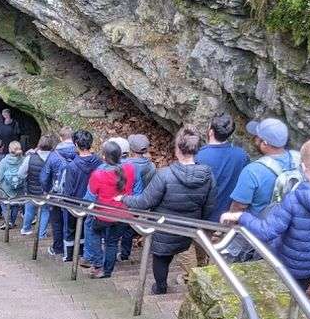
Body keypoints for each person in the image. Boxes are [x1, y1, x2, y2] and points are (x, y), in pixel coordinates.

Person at [121, 126, 217, 295]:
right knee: (189, 253)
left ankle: (160, 287)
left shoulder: (165, 175)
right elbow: (209, 204)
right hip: (190, 226)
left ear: (177, 149)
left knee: (161, 258)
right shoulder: (208, 175)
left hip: (165, 227)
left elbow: (144, 201)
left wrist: (124, 199)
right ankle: (198, 285)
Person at [220, 137, 310, 293]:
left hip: (288, 265)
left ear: (303, 168)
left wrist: (240, 217)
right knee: (298, 296)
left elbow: (267, 231)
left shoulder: (294, 200)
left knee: (283, 296)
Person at [224, 117, 301, 261]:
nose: (254, 139)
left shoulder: (253, 171)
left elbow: (239, 206)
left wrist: (227, 226)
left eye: (257, 138)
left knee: (226, 260)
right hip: (284, 231)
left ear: (265, 143)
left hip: (252, 229)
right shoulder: (298, 160)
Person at [85, 140, 136, 278]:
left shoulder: (98, 174)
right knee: (112, 242)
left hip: (103, 214)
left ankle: (97, 262)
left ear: (103, 157)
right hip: (123, 213)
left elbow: (90, 195)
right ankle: (106, 271)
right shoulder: (130, 169)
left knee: (91, 229)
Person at [195, 112, 250, 222]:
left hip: (202, 215)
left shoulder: (199, 157)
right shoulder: (242, 156)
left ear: (210, 132)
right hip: (225, 216)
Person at [61, 130, 102, 261]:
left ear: (76, 144)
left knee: (71, 229)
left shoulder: (72, 166)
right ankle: (87, 252)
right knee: (90, 228)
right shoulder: (99, 163)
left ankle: (70, 255)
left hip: (76, 203)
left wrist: (66, 204)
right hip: (95, 202)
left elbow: (68, 190)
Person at [38, 130, 77, 255]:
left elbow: (44, 177)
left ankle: (58, 248)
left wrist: (46, 190)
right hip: (74, 194)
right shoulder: (79, 153)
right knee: (73, 221)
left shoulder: (53, 155)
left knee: (57, 222)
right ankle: (73, 250)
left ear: (60, 138)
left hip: (56, 194)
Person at [119, 134, 156, 262]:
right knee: (131, 228)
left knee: (124, 227)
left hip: (128, 200)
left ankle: (122, 254)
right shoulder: (151, 166)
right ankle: (128, 253)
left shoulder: (127, 165)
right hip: (145, 200)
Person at [18, 134, 54, 238]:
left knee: (29, 209)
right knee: (45, 211)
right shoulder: (54, 158)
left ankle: (26, 228)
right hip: (46, 191)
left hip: (31, 189)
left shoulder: (30, 158)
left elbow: (20, 174)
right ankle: (41, 234)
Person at [0, 140, 26, 229]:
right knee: (15, 205)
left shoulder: (4, 161)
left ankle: (8, 221)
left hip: (6, 189)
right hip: (19, 187)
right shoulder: (24, 160)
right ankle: (11, 222)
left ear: (9, 149)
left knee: (5, 204)